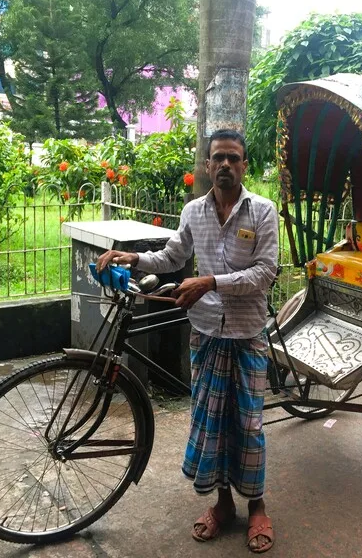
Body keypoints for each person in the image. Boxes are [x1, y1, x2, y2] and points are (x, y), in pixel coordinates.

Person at [97, 129, 279, 553]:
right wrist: (134, 257)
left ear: (244, 165)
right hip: (205, 334)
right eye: (219, 158)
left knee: (249, 426)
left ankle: (257, 506)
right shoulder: (194, 211)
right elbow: (174, 257)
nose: (226, 166)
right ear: (207, 164)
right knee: (210, 423)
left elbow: (265, 274)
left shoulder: (262, 211)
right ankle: (222, 505)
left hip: (247, 335)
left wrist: (210, 281)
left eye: (234, 158)